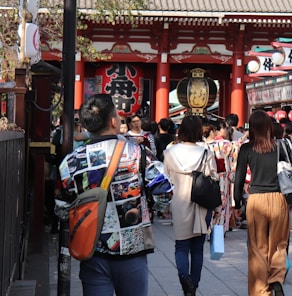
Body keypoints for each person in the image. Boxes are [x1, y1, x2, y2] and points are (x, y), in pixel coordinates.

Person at [56, 94, 154, 296]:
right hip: (132, 250)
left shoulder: (70, 162)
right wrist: (149, 209)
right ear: (113, 121)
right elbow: (164, 192)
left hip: (92, 249)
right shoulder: (138, 153)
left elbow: (62, 208)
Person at [233, 110, 292, 296]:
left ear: (252, 128)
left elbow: (238, 179)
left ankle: (261, 291)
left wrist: (237, 203)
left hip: (256, 200)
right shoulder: (280, 146)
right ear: (270, 127)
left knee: (257, 248)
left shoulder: (246, 148)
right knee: (278, 244)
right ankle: (277, 280)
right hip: (278, 199)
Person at [164, 115, 218, 296]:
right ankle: (193, 286)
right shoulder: (206, 152)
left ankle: (184, 279)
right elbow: (213, 177)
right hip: (202, 204)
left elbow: (166, 177)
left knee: (181, 246)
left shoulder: (170, 152)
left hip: (180, 202)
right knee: (197, 248)